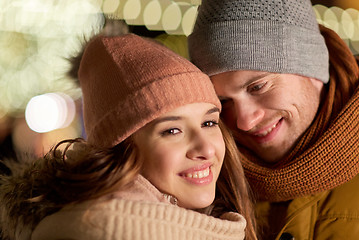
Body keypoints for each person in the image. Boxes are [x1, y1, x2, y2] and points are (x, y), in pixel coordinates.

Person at [0, 33, 257, 239]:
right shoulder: (106, 231)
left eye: (209, 122)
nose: (206, 148)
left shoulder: (216, 221)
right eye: (172, 130)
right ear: (121, 147)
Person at [188, 0, 359, 239]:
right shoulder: (206, 184)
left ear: (312, 67)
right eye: (224, 102)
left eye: (257, 86)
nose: (244, 122)